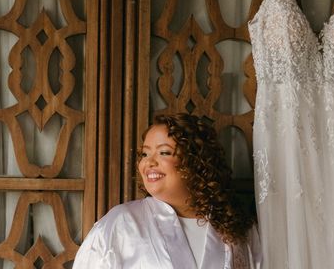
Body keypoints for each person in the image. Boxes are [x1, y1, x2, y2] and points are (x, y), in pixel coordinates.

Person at [73, 112, 262, 269]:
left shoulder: (239, 229)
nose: (149, 162)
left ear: (196, 161)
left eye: (164, 152)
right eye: (145, 154)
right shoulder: (121, 223)